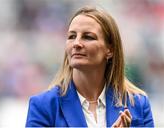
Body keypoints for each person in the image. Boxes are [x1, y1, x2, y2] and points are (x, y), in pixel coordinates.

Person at [25, 6, 154, 127]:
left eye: (88, 37)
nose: (76, 43)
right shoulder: (43, 106)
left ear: (110, 49)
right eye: (72, 36)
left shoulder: (138, 104)